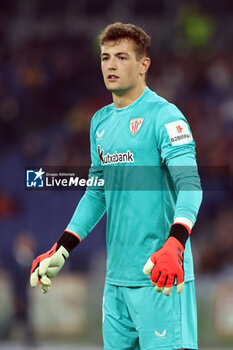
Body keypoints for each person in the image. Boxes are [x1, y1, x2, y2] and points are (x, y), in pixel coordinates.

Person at [30, 22, 202, 350]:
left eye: (122, 57)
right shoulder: (100, 122)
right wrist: (62, 247)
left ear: (143, 65)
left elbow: (190, 184)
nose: (110, 64)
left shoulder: (166, 117)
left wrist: (175, 245)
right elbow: (97, 192)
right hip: (116, 283)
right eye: (105, 57)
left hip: (160, 278)